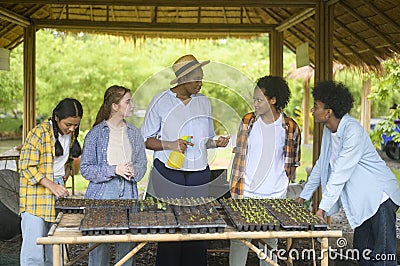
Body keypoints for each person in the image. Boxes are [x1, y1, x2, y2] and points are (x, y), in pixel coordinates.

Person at [297, 81, 400, 265]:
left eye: (316, 106)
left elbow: (339, 173)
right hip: (364, 202)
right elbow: (321, 165)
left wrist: (322, 209)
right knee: (362, 254)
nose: (312, 111)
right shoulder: (329, 131)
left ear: (328, 112)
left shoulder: (353, 131)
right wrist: (303, 197)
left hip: (380, 197)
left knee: (383, 258)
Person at [141, 54, 230, 266]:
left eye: (202, 78)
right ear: (183, 78)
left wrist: (215, 143)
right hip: (169, 171)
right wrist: (171, 144)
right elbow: (146, 140)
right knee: (170, 225)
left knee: (196, 225)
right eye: (197, 78)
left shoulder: (204, 102)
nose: (201, 83)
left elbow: (204, 139)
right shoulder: (160, 101)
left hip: (199, 172)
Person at [229, 75, 301, 266]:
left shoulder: (290, 127)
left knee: (270, 241)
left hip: (275, 196)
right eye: (254, 99)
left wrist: (280, 183)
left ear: (273, 100)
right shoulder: (248, 121)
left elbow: (293, 163)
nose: (255, 104)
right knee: (239, 240)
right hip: (246, 193)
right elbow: (240, 155)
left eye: (259, 100)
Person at [80, 85, 147, 266]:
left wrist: (135, 171)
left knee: (126, 248)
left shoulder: (135, 133)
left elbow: (142, 163)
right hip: (101, 195)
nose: (132, 105)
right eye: (128, 101)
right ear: (115, 106)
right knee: (98, 248)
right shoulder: (95, 134)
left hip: (128, 193)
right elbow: (85, 169)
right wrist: (114, 170)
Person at [19, 98, 83, 266]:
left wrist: (66, 173)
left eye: (76, 125)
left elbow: (66, 160)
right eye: (68, 124)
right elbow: (26, 167)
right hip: (35, 195)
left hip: (56, 190)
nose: (71, 129)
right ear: (56, 118)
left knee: (56, 248)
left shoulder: (71, 134)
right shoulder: (38, 133)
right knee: (34, 250)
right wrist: (52, 185)